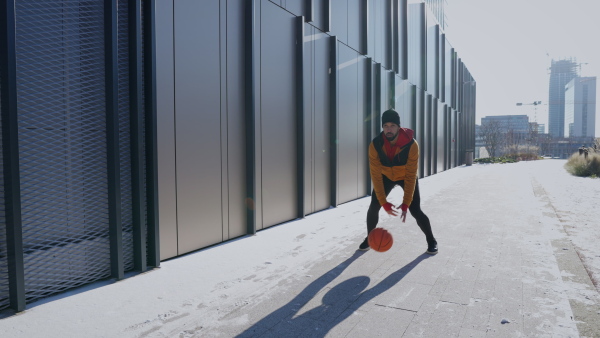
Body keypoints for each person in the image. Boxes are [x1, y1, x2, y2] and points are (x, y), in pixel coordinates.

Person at [359, 109, 437, 255]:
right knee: (374, 206)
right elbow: (375, 175)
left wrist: (406, 202)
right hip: (385, 176)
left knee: (415, 210)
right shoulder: (375, 145)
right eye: (386, 126)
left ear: (399, 127)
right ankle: (370, 238)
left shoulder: (412, 145)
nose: (389, 129)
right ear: (382, 127)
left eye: (392, 125)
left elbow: (411, 174)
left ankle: (431, 240)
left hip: (405, 176)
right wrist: (383, 202)